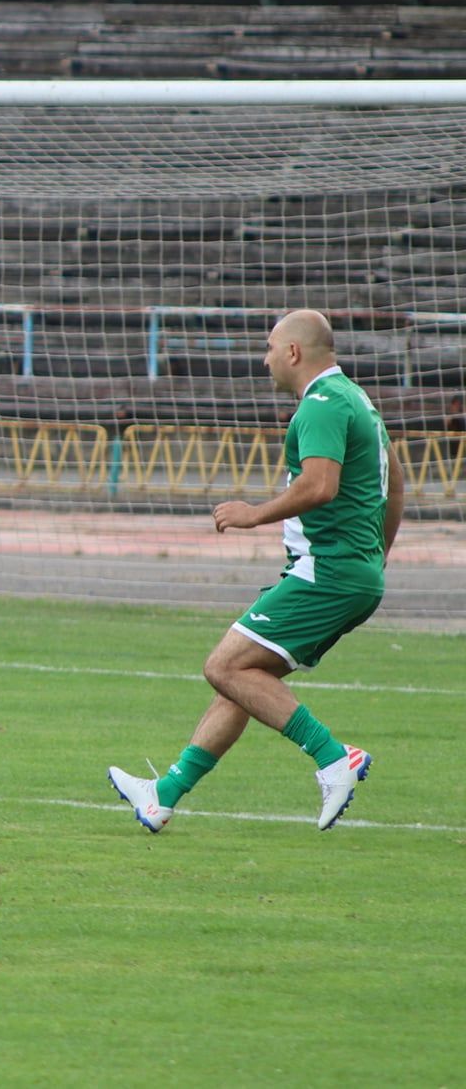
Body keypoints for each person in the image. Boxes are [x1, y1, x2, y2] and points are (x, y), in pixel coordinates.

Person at [107, 310, 405, 833]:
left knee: (224, 667)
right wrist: (376, 557)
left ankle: (336, 758)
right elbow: (395, 484)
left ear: (294, 352)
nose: (264, 358)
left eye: (270, 348)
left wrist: (252, 514)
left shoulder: (320, 405)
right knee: (247, 680)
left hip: (328, 572)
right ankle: (163, 797)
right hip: (346, 571)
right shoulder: (356, 399)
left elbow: (319, 486)